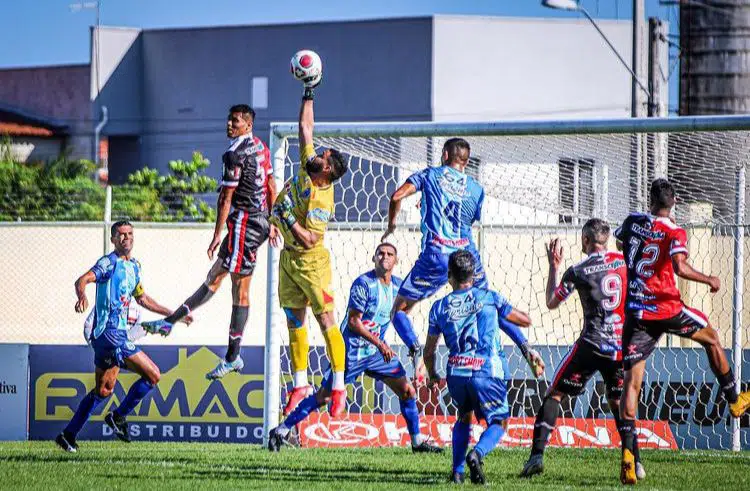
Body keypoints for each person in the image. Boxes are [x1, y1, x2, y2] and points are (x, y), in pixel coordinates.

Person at [614, 178, 750, 484]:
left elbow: (621, 241)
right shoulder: (674, 230)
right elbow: (679, 266)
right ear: (673, 204)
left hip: (636, 313)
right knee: (712, 338)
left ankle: (627, 456)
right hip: (666, 308)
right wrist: (709, 279)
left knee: (631, 386)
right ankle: (734, 400)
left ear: (650, 199)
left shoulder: (632, 221)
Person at [142, 104, 278, 380]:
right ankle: (170, 322)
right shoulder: (261, 147)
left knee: (239, 291)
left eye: (236, 121)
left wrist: (217, 234)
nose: (230, 125)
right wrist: (272, 221)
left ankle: (232, 357)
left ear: (248, 125)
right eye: (229, 120)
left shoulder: (234, 154)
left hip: (245, 225)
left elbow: (225, 198)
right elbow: (271, 184)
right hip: (256, 222)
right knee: (215, 275)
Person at [268, 243, 443, 453]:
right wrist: (380, 343)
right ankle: (281, 430)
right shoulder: (363, 284)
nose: (384, 257)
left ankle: (417, 442)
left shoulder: (398, 288)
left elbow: (400, 318)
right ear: (374, 258)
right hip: (352, 352)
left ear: (396, 261)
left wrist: (415, 350)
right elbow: (353, 322)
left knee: (407, 390)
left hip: (377, 355)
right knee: (324, 396)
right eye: (380, 253)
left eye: (389, 254)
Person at [519, 219, 643, 479]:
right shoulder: (624, 264)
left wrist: (554, 267)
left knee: (555, 395)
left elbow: (552, 302)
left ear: (586, 240)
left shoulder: (579, 270)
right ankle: (636, 462)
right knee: (620, 403)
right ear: (607, 240)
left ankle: (536, 457)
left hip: (591, 345)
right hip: (621, 347)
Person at [55, 221, 191, 452]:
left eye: (129, 234)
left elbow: (143, 300)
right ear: (113, 239)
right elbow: (82, 280)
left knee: (104, 390)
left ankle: (68, 435)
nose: (126, 238)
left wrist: (174, 314)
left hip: (108, 339)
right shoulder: (108, 263)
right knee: (153, 375)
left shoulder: (135, 267)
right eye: (121, 235)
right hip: (111, 334)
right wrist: (81, 296)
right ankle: (118, 417)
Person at [424, 250, 545, 485]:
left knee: (463, 416)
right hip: (487, 370)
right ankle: (477, 454)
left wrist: (433, 374)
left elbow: (429, 351)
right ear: (474, 274)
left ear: (449, 276)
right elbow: (525, 320)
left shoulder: (438, 308)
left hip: (456, 373)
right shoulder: (489, 298)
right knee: (500, 421)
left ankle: (457, 473)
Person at [270, 73, 350, 417]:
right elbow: (306, 128)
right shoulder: (308, 163)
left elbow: (311, 237)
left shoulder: (322, 197)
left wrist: (286, 217)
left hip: (311, 260)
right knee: (293, 320)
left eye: (326, 154)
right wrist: (308, 90)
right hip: (289, 259)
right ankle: (300, 383)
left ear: (328, 169)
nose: (321, 150)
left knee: (326, 321)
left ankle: (338, 387)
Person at [382, 138, 487, 386]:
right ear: (467, 162)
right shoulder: (476, 188)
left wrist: (392, 225)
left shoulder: (429, 174)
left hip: (435, 256)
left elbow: (396, 196)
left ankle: (417, 351)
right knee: (486, 306)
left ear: (444, 155)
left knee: (399, 310)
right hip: (465, 256)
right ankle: (504, 352)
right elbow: (466, 220)